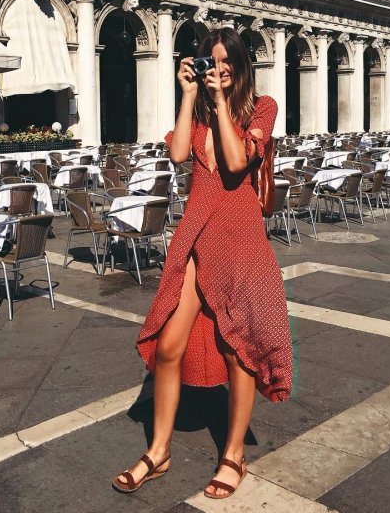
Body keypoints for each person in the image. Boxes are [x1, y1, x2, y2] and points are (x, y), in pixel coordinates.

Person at [112, 27, 293, 499]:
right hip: (197, 237)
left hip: (240, 239)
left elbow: (235, 165)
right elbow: (175, 156)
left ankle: (233, 453)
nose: (217, 67)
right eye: (209, 61)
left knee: (238, 350)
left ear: (238, 63)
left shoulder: (262, 108)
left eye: (224, 60)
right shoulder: (198, 116)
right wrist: (191, 95)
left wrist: (221, 107)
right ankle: (159, 450)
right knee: (170, 345)